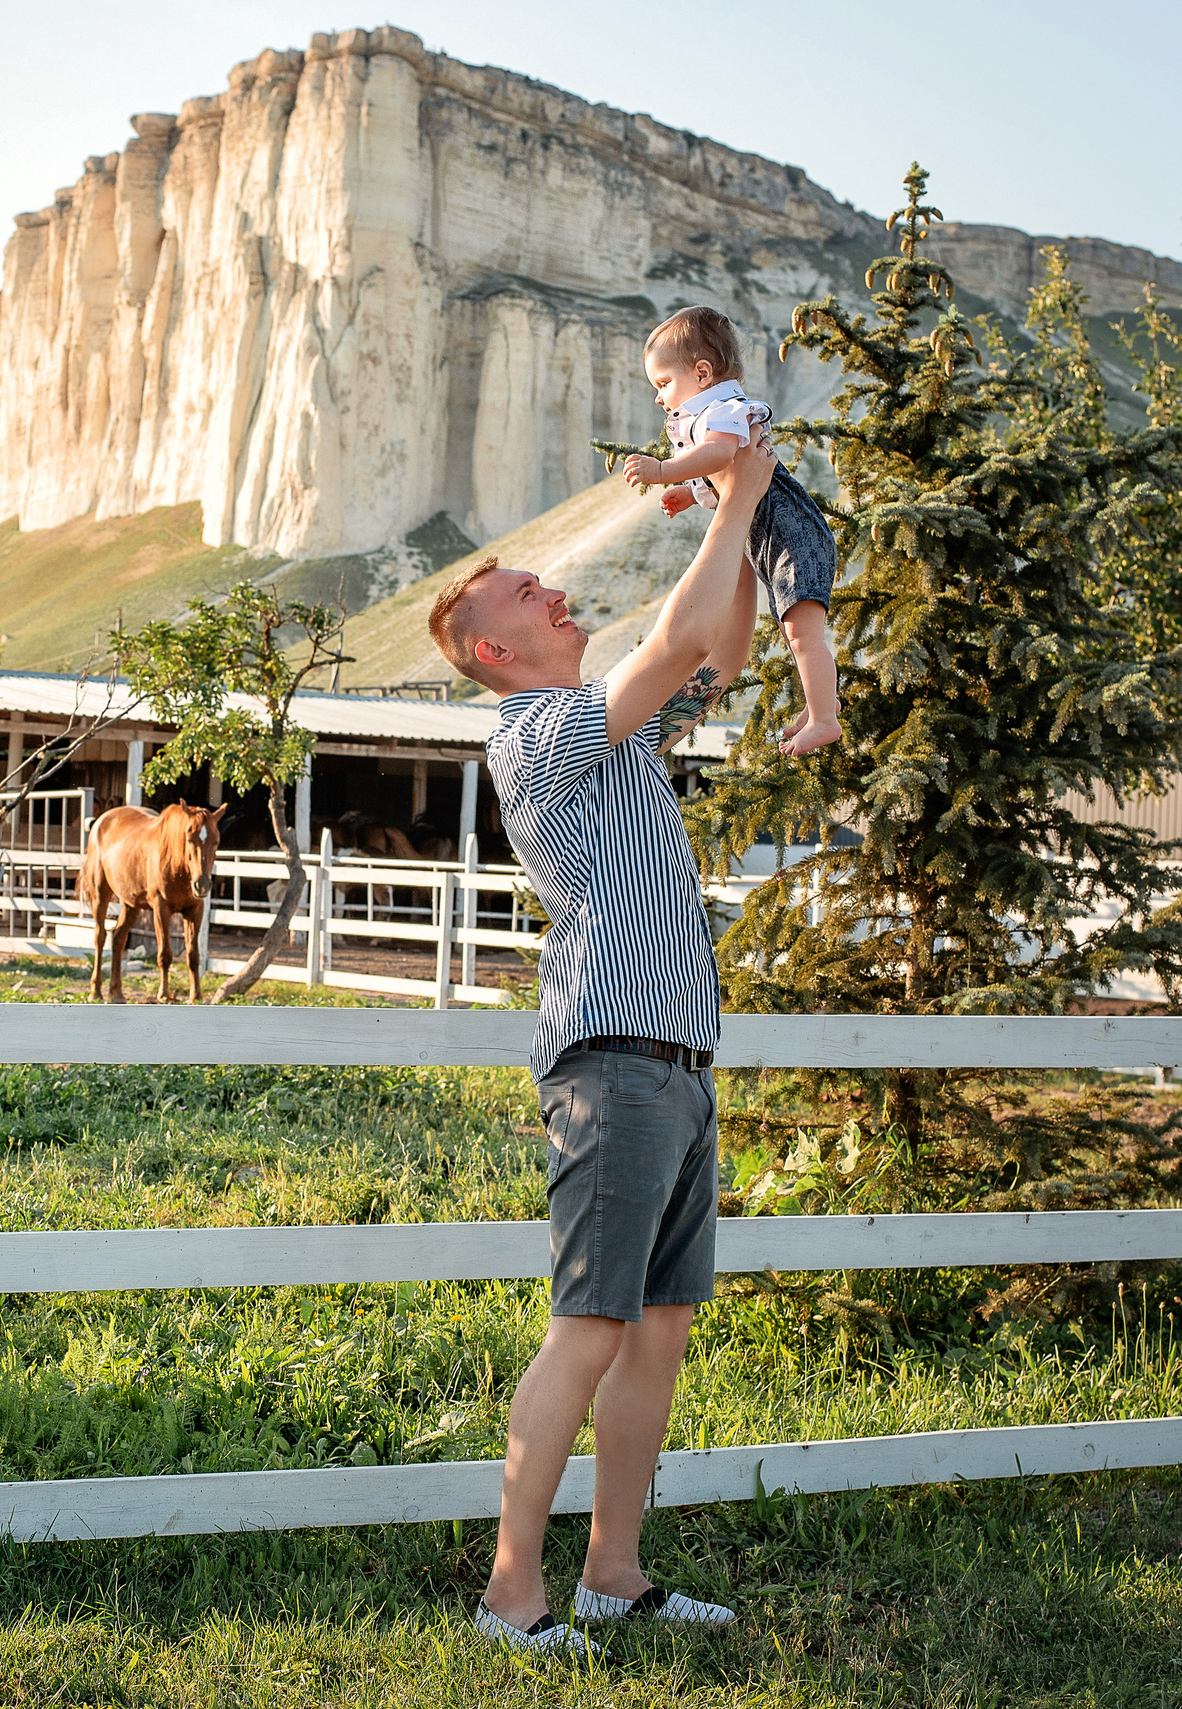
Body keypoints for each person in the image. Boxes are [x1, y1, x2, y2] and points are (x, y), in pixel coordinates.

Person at [423, 428, 777, 1658]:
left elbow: (717, 651)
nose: (554, 588)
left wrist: (736, 519)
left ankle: (611, 1577)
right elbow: (675, 640)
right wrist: (734, 492)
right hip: (615, 1058)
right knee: (588, 1324)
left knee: (658, 1326)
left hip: (676, 1062)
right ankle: (508, 1592)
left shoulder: (609, 730)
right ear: (493, 649)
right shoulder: (536, 735)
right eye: (528, 592)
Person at [617, 306, 841, 756]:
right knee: (796, 634)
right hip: (769, 532)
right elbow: (726, 480)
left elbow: (720, 457)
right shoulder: (712, 411)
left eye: (663, 384)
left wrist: (664, 470)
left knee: (802, 635)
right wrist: (688, 491)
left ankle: (824, 718)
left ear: (702, 373)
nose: (660, 398)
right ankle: (822, 704)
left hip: (787, 530)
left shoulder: (721, 409)